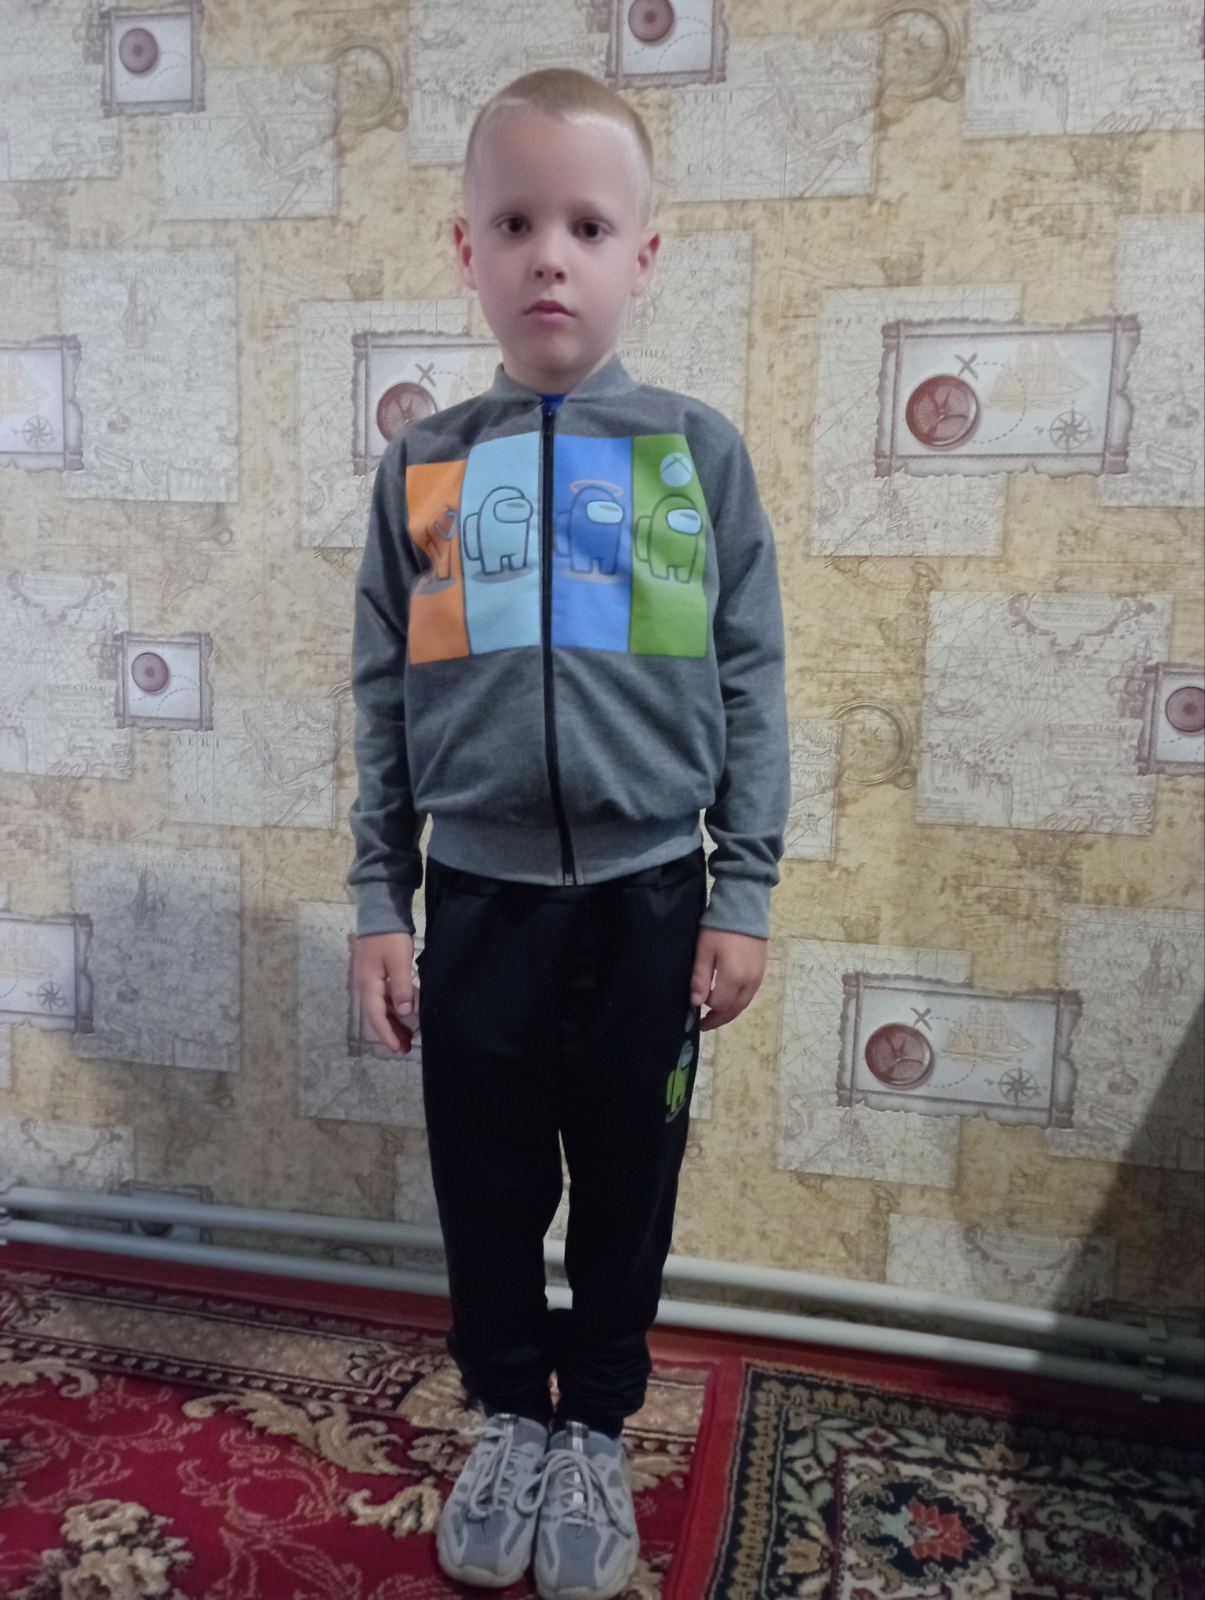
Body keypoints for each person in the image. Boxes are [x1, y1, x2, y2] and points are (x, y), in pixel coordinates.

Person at [347, 66, 789, 1600]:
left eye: (588, 227)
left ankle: (591, 1424)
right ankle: (507, 1417)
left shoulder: (693, 457)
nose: (551, 256)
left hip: (652, 897)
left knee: (623, 1177)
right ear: (465, 248)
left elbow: (750, 678)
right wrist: (378, 900)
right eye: (516, 224)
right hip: (476, 903)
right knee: (483, 1184)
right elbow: (381, 694)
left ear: (641, 256)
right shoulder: (425, 469)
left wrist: (741, 888)